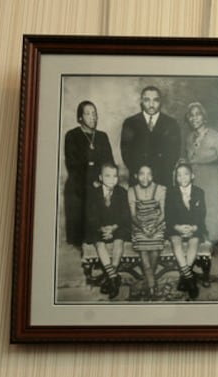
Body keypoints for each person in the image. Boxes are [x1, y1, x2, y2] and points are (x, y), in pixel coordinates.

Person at [63, 100, 114, 247]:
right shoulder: (72, 135)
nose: (92, 117)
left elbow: (109, 162)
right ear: (80, 117)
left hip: (100, 183)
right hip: (78, 186)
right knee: (82, 236)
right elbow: (73, 165)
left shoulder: (102, 136)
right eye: (88, 114)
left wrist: (102, 180)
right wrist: (92, 180)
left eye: (94, 113)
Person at [184, 102, 218, 243]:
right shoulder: (189, 138)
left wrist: (216, 174)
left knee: (211, 210)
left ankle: (210, 242)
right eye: (191, 115)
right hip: (195, 180)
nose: (194, 118)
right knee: (196, 210)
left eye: (198, 114)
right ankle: (198, 243)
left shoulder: (217, 138)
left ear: (204, 117)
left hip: (212, 180)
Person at [120, 86, 182, 187]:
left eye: (155, 100)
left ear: (160, 102)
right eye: (147, 100)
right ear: (141, 101)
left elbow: (174, 153)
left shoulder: (171, 124)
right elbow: (126, 152)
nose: (151, 104)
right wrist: (139, 173)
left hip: (163, 179)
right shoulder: (130, 123)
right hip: (138, 179)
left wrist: (159, 172)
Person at [85, 163, 131, 299]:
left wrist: (114, 227)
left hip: (117, 226)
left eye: (115, 176)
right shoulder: (94, 193)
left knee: (119, 241)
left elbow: (125, 215)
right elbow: (91, 215)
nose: (112, 179)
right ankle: (114, 277)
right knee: (98, 242)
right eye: (107, 176)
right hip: (100, 227)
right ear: (100, 177)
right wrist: (102, 228)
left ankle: (111, 277)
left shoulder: (122, 192)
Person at [165, 162, 206, 299]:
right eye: (179, 175)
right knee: (176, 243)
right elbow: (168, 215)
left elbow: (202, 214)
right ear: (176, 178)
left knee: (193, 243)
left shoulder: (199, 192)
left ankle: (184, 277)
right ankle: (190, 279)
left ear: (192, 176)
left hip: (194, 226)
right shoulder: (171, 192)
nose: (182, 178)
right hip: (176, 227)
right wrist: (178, 227)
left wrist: (194, 227)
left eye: (186, 174)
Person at [127, 164, 166, 299]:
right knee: (143, 250)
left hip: (157, 224)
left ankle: (148, 281)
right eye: (141, 173)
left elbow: (163, 214)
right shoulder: (131, 191)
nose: (145, 177)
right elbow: (133, 216)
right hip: (140, 225)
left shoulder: (160, 189)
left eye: (148, 174)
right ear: (136, 176)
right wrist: (142, 227)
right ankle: (152, 284)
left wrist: (155, 227)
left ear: (152, 176)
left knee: (155, 249)